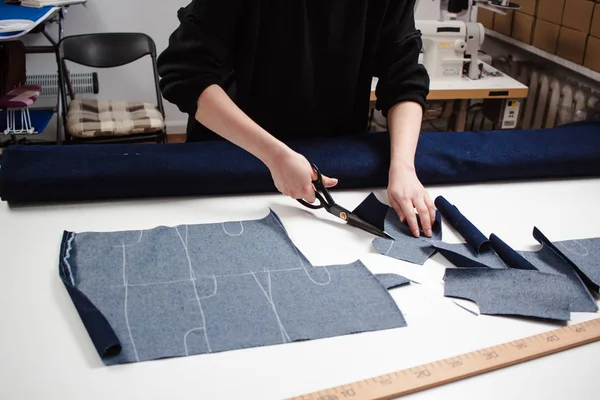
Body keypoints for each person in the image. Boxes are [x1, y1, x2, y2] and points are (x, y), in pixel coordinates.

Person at [156, 0, 436, 237]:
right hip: (234, 156)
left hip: (332, 160)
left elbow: (403, 76)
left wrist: (403, 167)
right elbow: (184, 73)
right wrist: (274, 155)